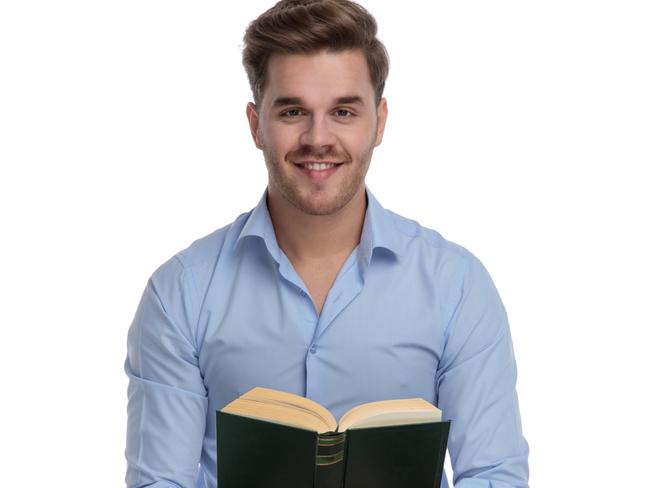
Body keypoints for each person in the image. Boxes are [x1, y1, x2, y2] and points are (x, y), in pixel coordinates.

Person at [124, 0, 530, 486]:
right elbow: (159, 481)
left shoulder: (457, 286)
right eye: (294, 111)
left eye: (343, 111)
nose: (318, 138)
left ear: (379, 121)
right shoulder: (180, 293)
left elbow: (493, 474)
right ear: (256, 125)